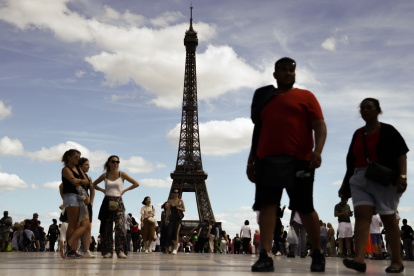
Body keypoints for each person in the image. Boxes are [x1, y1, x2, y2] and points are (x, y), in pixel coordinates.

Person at [247, 57, 327, 272]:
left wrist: (317, 151)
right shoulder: (265, 98)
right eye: (283, 70)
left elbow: (319, 125)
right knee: (267, 206)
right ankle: (265, 254)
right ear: (275, 74)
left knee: (305, 207)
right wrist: (251, 160)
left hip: (299, 160)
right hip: (267, 160)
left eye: (291, 70)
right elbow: (258, 132)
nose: (288, 74)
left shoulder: (306, 97)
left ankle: (317, 252)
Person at [339, 98, 408, 273]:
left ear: (378, 110)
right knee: (362, 216)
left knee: (388, 218)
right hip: (360, 177)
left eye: (369, 107)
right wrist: (345, 185)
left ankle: (397, 261)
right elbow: (350, 162)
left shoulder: (388, 131)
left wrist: (402, 176)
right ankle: (359, 259)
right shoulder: (358, 134)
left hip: (383, 177)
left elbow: (402, 154)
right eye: (362, 108)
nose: (365, 110)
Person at [94, 155, 140, 259]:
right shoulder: (104, 175)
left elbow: (136, 183)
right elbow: (93, 184)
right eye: (113, 161)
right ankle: (108, 251)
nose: (116, 164)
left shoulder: (122, 174)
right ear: (109, 163)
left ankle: (121, 250)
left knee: (120, 227)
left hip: (118, 201)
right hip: (107, 201)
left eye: (117, 162)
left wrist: (124, 190)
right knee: (107, 227)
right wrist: (102, 190)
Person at [61, 149, 90, 259]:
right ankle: (71, 250)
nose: (78, 159)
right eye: (76, 157)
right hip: (71, 197)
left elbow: (87, 181)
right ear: (69, 157)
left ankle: (69, 245)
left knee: (84, 224)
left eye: (78, 157)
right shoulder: (65, 169)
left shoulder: (78, 168)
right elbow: (73, 181)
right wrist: (81, 180)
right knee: (73, 224)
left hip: (80, 198)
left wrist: (79, 180)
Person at [78, 157, 96, 258]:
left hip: (87, 203)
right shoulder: (75, 175)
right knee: (78, 226)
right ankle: (72, 248)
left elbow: (92, 189)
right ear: (80, 166)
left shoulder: (88, 177)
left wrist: (92, 201)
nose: (89, 166)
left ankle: (86, 250)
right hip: (77, 203)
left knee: (88, 227)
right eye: (86, 164)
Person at [166, 189, 185, 255]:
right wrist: (166, 219)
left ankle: (175, 249)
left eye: (177, 192)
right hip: (171, 218)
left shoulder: (180, 200)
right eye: (175, 192)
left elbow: (184, 209)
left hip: (178, 219)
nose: (176, 193)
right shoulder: (170, 201)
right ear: (173, 193)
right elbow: (168, 211)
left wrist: (179, 208)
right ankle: (177, 244)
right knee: (170, 233)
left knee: (176, 232)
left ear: (178, 194)